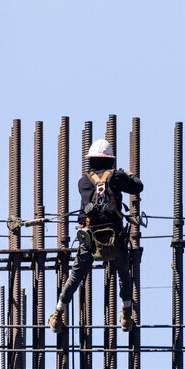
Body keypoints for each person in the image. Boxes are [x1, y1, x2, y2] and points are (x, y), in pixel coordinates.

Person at [49, 138, 143, 333]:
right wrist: (129, 174)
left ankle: (58, 314)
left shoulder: (83, 181)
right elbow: (138, 186)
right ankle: (126, 314)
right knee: (124, 273)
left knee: (75, 275)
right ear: (110, 160)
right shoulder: (116, 176)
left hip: (90, 237)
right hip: (114, 236)